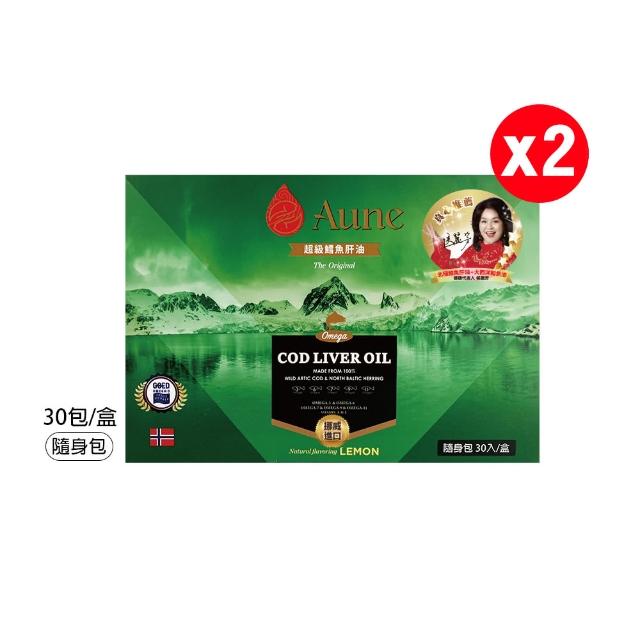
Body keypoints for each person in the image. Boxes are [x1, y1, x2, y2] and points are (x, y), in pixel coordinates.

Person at [426, 197, 516, 270]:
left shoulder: (509, 255)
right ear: (477, 224)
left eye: (495, 221)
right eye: (484, 221)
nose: (489, 227)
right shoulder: (474, 249)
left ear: (505, 224)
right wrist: (439, 245)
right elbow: (454, 268)